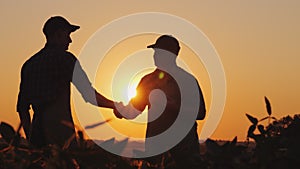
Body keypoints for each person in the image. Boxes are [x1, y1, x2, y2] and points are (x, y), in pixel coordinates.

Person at [17, 16, 119, 148]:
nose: (70, 40)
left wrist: (31, 139)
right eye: (67, 35)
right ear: (58, 34)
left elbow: (22, 108)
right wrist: (116, 106)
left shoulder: (29, 65)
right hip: (62, 135)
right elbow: (89, 95)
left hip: (38, 135)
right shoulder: (66, 59)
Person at [114, 35, 206, 168]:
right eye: (155, 52)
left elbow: (200, 113)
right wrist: (120, 110)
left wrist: (170, 106)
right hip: (156, 151)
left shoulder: (187, 81)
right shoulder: (147, 81)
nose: (155, 56)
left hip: (184, 153)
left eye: (159, 52)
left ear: (173, 54)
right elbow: (133, 111)